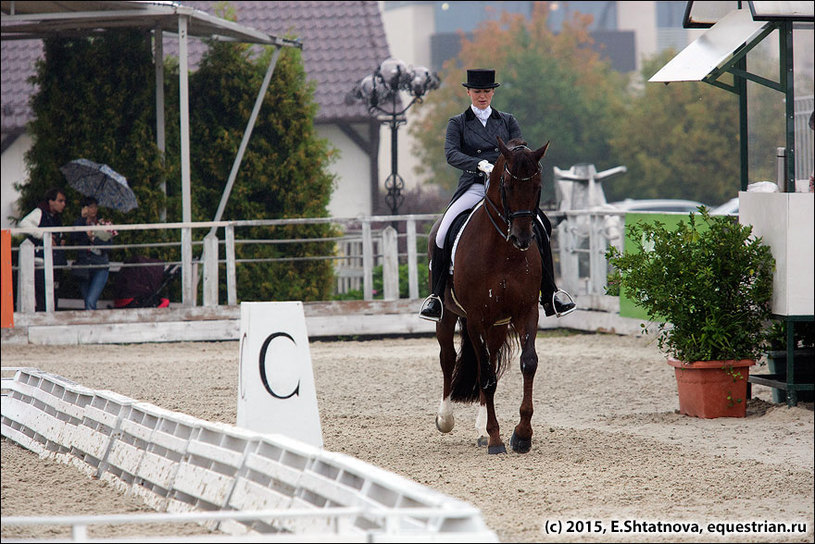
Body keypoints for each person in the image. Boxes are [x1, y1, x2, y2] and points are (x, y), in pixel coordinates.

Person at [419, 68, 576, 322]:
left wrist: (513, 165)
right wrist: (479, 164)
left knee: (543, 226)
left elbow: (519, 147)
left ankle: (550, 293)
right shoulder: (458, 123)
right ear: (469, 92)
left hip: (507, 186)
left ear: (493, 92)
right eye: (478, 91)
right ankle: (437, 297)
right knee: (442, 230)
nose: (482, 96)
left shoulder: (507, 120)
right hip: (473, 184)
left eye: (487, 91)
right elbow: (451, 153)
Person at [18, 188, 68, 311]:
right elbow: (24, 224)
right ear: (51, 201)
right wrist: (43, 236)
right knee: (42, 293)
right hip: (41, 261)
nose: (63, 204)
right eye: (60, 201)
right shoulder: (39, 212)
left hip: (54, 262)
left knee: (54, 293)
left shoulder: (56, 218)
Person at [70, 196, 114, 310]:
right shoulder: (79, 222)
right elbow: (73, 237)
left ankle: (92, 326)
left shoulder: (103, 224)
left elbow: (109, 246)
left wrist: (93, 238)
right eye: (90, 207)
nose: (93, 210)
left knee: (90, 301)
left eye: (95, 207)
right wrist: (82, 220)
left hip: (100, 265)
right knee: (87, 301)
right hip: (84, 266)